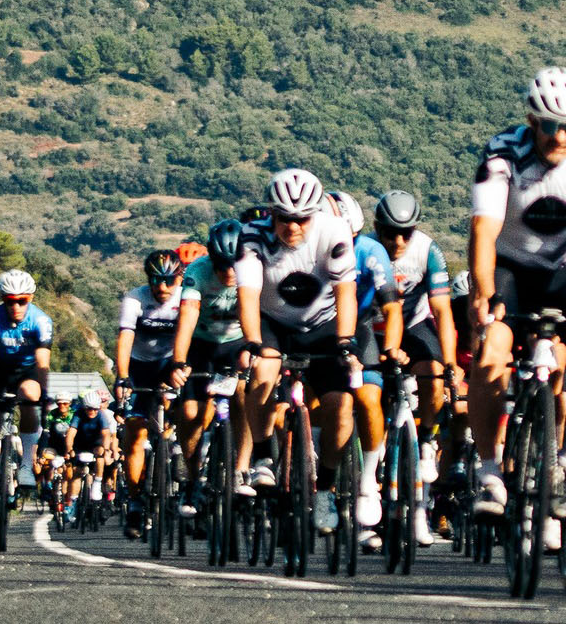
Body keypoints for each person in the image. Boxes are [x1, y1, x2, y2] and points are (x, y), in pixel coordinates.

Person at [467, 65, 566, 541]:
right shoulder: (502, 154)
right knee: (491, 355)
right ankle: (490, 472)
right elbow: (484, 231)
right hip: (513, 268)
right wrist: (484, 292)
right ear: (532, 120)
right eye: (551, 126)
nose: (561, 137)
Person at [234, 168, 358, 538]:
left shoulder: (334, 230)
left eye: (302, 219)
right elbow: (248, 295)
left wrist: (345, 340)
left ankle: (327, 489)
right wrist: (253, 342)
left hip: (323, 325)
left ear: (315, 214)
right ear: (271, 213)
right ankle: (262, 456)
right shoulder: (252, 236)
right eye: (284, 218)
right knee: (261, 374)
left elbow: (346, 292)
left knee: (341, 407)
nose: (292, 227)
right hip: (274, 323)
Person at [374, 189, 459, 547]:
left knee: (433, 375)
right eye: (390, 232)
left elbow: (442, 312)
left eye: (405, 233)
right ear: (377, 228)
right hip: (374, 326)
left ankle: (426, 441)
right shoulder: (367, 249)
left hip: (414, 325)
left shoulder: (427, 251)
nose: (397, 242)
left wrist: (451, 363)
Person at [335, 190, 403, 544]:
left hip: (358, 326)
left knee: (368, 398)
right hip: (314, 326)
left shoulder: (371, 251)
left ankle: (368, 482)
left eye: (350, 239)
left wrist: (391, 347)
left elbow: (391, 307)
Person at [169, 219, 248, 519]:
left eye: (233, 265)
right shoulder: (197, 272)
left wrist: (254, 349)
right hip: (201, 345)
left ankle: (241, 470)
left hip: (237, 343)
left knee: (243, 394)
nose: (228, 272)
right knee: (191, 413)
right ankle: (192, 479)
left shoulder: (251, 269)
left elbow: (259, 313)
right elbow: (187, 317)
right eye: (222, 265)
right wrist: (179, 362)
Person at [0, 268, 54, 525]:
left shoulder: (40, 320)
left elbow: (42, 362)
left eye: (22, 300)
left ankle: (27, 464)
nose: (16, 306)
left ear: (30, 298)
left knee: (31, 394)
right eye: (10, 301)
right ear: (3, 299)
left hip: (26, 372)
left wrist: (45, 395)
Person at [115, 249, 185, 538]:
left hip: (171, 363)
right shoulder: (135, 298)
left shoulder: (186, 298)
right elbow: (125, 338)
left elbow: (192, 338)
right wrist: (122, 377)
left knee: (189, 408)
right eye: (156, 280)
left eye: (170, 281)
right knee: (135, 432)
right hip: (139, 366)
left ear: (180, 279)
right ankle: (135, 500)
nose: (163, 287)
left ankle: (180, 451)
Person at [63, 389, 119, 517]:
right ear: (84, 408)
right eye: (89, 409)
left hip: (96, 444)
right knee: (77, 473)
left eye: (95, 409)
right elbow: (71, 433)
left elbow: (106, 434)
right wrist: (69, 449)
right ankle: (74, 502)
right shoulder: (78, 414)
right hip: (80, 444)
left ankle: (97, 483)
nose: (92, 412)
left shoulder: (101, 416)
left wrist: (106, 449)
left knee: (100, 454)